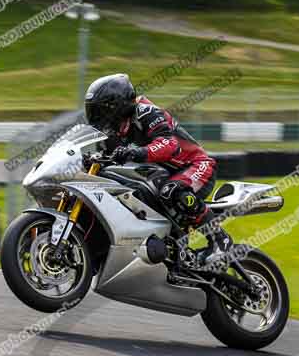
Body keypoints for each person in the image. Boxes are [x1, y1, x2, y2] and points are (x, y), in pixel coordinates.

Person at [84, 73, 232, 271]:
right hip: (162, 175)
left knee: (171, 191)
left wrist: (138, 152)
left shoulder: (146, 112)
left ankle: (221, 240)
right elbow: (109, 157)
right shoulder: (112, 133)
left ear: (116, 105)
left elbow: (169, 144)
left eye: (100, 110)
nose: (96, 117)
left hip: (195, 165)